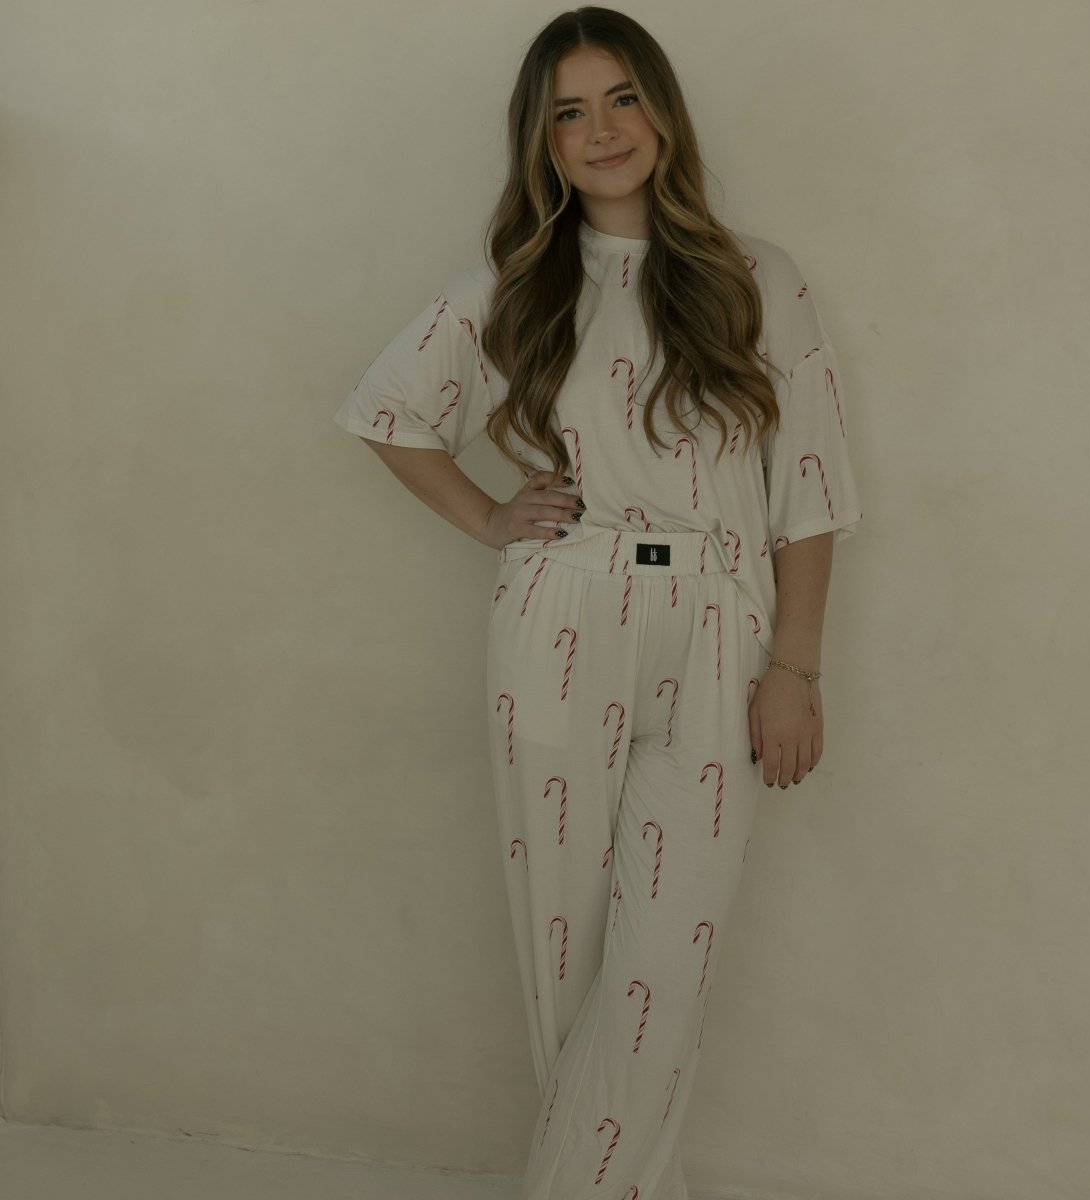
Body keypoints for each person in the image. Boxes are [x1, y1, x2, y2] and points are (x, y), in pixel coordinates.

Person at [333, 8, 861, 1197]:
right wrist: (488, 519)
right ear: (544, 143)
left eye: (620, 97)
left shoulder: (757, 279)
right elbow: (384, 412)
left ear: (661, 106)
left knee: (663, 962)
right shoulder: (520, 285)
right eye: (569, 112)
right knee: (569, 961)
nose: (601, 129)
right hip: (563, 616)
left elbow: (810, 490)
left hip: (726, 630)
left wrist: (799, 662)